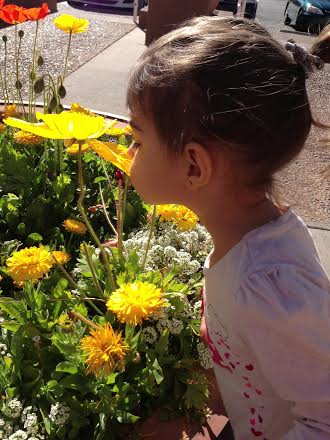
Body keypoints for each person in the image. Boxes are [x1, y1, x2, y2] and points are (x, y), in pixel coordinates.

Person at [126, 16, 330, 440]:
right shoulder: (246, 230)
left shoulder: (266, 284)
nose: (129, 151)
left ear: (195, 166)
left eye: (139, 140)